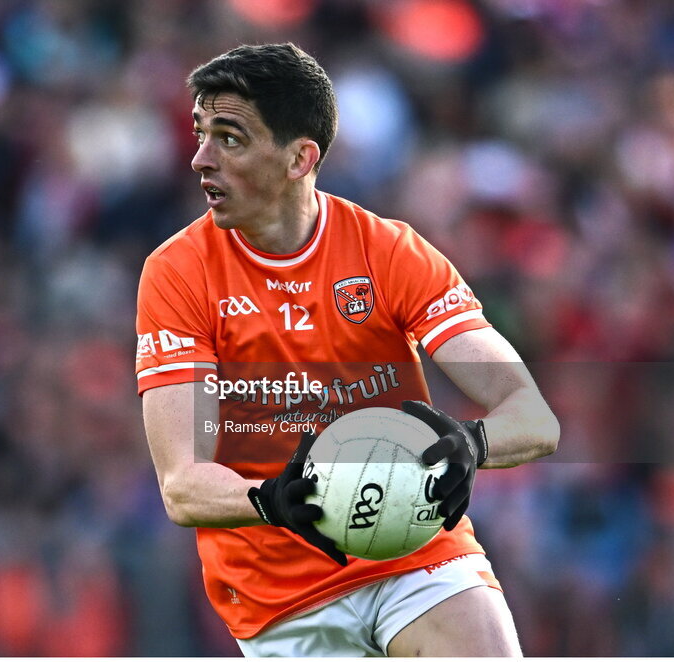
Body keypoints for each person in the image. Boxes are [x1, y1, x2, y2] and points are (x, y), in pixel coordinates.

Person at [135, 42, 559, 657]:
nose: (200, 158)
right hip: (279, 596)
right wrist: (272, 499)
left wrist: (472, 443)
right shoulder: (177, 274)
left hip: (415, 551)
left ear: (299, 157)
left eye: (229, 138)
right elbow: (181, 485)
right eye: (201, 134)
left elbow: (533, 415)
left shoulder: (389, 252)